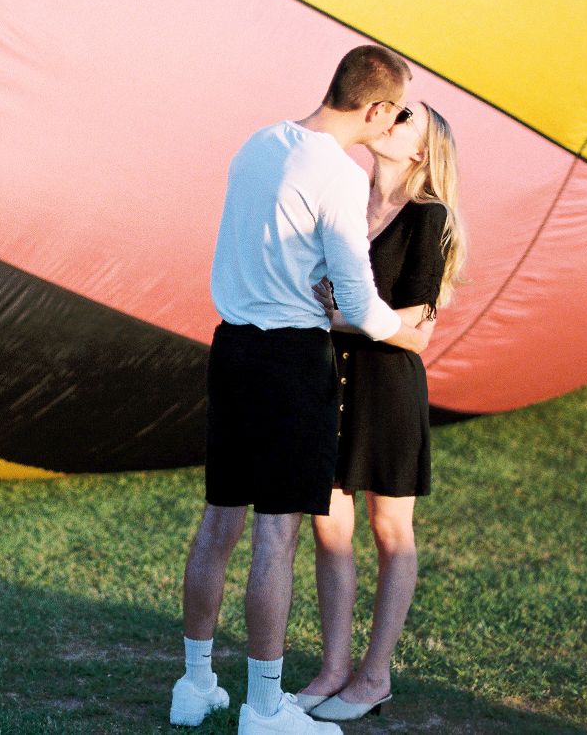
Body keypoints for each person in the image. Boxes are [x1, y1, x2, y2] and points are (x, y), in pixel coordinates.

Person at [170, 45, 431, 735]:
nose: (397, 122)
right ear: (375, 111)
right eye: (397, 111)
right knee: (277, 535)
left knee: (219, 522)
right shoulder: (338, 176)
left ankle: (194, 687)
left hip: (231, 346)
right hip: (290, 359)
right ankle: (263, 709)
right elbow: (358, 299)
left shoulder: (259, 144)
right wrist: (407, 331)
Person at [296, 101, 467, 723]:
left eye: (406, 119)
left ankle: (375, 675)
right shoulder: (344, 196)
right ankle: (334, 668)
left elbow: (416, 331)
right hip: (328, 380)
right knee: (328, 529)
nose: (390, 118)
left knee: (391, 531)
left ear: (421, 151)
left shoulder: (429, 217)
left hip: (388, 388)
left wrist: (333, 314)